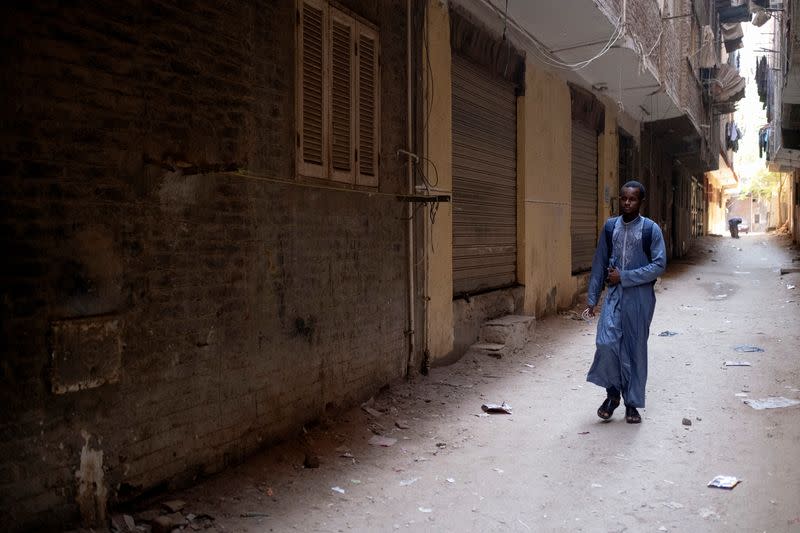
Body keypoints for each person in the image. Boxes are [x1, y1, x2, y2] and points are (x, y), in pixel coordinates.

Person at [584, 181, 667, 424]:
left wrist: (626, 276)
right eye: (624, 198)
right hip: (614, 296)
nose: (627, 203)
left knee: (634, 350)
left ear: (641, 202)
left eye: (632, 199)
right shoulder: (610, 228)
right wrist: (592, 299)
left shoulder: (651, 230)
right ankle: (612, 394)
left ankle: (631, 404)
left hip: (640, 299)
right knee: (606, 343)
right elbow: (599, 263)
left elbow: (659, 265)